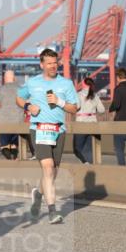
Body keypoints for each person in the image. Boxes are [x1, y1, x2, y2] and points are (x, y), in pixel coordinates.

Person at [18, 49, 79, 224]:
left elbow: (74, 109)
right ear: (42, 64)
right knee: (48, 168)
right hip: (38, 130)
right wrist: (28, 106)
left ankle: (38, 194)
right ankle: (53, 212)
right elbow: (19, 99)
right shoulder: (33, 83)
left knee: (52, 172)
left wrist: (59, 102)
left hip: (58, 131)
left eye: (55, 62)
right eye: (49, 63)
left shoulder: (66, 84)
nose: (53, 66)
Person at [0, 69, 30, 160]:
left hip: (4, 122)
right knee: (14, 145)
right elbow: (27, 103)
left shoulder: (1, 89)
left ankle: (7, 154)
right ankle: (13, 157)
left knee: (4, 145)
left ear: (5, 78)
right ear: (14, 78)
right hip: (18, 122)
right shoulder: (21, 89)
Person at [74, 77, 105, 164]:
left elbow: (77, 107)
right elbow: (102, 110)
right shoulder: (95, 95)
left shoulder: (78, 94)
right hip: (93, 123)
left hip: (81, 123)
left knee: (77, 149)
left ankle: (85, 163)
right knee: (90, 150)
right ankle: (91, 167)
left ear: (83, 84)